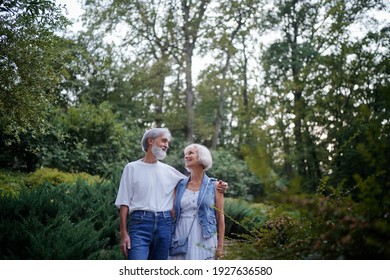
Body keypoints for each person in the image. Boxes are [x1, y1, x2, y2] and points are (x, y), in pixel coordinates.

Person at [114, 128, 228, 260]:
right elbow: (124, 203)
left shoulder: (169, 171)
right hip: (140, 224)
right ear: (150, 141)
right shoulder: (131, 168)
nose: (166, 145)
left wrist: (220, 185)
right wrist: (124, 234)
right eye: (163, 141)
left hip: (165, 225)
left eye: (167, 142)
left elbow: (199, 181)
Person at [169, 144, 225, 260]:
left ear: (201, 157)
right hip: (181, 234)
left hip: (205, 236)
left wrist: (220, 246)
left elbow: (220, 217)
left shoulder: (215, 186)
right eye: (185, 154)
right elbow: (173, 213)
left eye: (190, 153)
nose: (186, 156)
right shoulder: (179, 185)